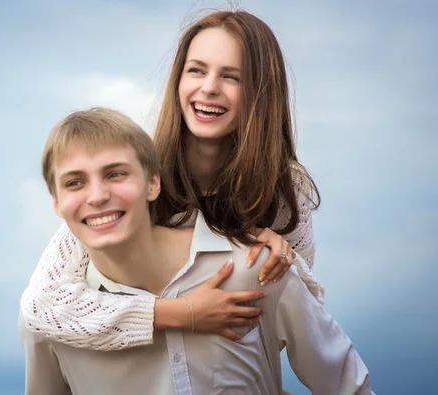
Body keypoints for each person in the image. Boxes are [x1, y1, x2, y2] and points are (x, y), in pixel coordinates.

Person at [21, 9, 324, 350]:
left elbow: (304, 311)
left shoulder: (286, 187)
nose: (208, 88)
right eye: (196, 70)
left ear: (261, 93)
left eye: (232, 77)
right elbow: (40, 306)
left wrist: (282, 259)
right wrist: (181, 314)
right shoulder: (135, 175)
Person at [19, 108, 373, 394]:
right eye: (74, 182)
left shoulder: (256, 269)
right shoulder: (50, 321)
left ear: (153, 183)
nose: (96, 196)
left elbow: (347, 386)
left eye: (115, 174)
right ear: (57, 204)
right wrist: (183, 313)